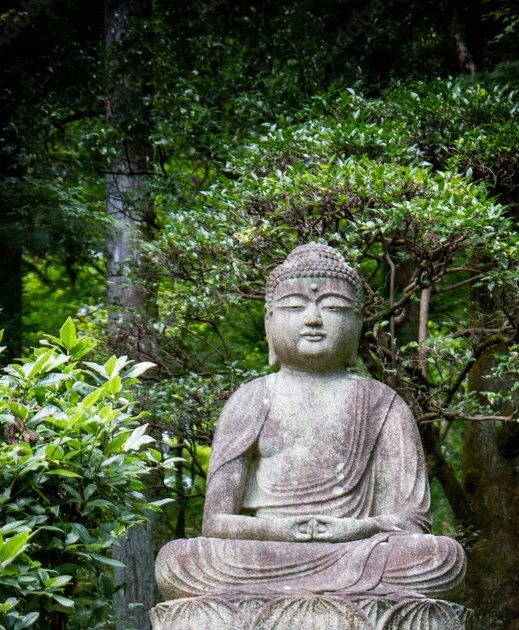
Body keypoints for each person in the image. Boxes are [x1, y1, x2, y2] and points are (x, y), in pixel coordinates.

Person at [155, 244, 465, 602]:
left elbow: (413, 522)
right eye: (293, 307)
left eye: (333, 307)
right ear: (270, 323)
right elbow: (216, 524)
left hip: (361, 551)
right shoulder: (251, 399)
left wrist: (352, 529)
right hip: (268, 555)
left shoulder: (383, 403)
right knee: (179, 561)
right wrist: (281, 531)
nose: (313, 319)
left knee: (441, 558)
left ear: (358, 323)